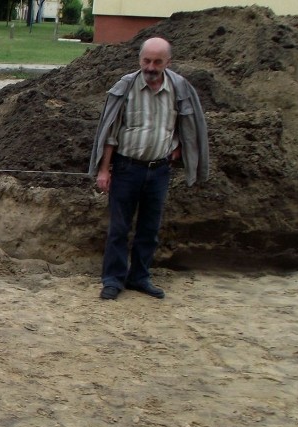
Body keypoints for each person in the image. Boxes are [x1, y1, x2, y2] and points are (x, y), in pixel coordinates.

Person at [89, 37, 209, 301]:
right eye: (146, 60)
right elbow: (110, 133)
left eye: (157, 61)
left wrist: (177, 147)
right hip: (126, 168)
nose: (151, 67)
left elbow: (186, 125)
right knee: (119, 229)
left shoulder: (180, 89)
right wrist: (104, 170)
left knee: (149, 229)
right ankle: (113, 280)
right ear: (139, 60)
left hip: (158, 171)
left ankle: (140, 277)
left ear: (168, 62)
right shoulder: (126, 87)